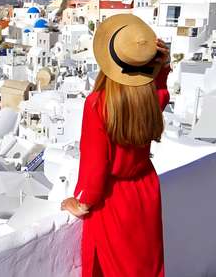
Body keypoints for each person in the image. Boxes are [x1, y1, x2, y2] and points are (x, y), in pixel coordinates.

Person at [61, 14, 170, 277]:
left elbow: (95, 169)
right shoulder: (152, 99)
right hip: (146, 192)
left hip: (115, 201)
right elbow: (161, 90)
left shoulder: (98, 105)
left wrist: (80, 201)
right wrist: (163, 65)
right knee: (146, 268)